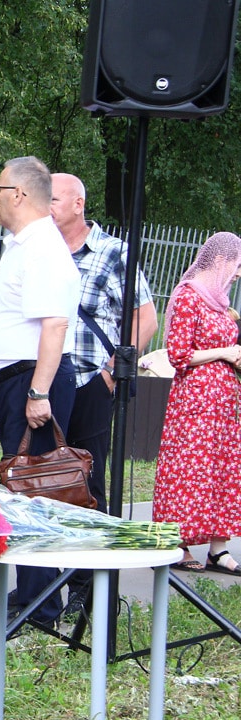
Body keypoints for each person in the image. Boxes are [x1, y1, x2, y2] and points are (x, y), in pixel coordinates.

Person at [0, 156, 81, 629]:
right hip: (18, 381)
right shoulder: (25, 244)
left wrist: (38, 391)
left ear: (18, 193)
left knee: (30, 492)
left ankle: (41, 608)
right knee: (23, 490)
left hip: (29, 382)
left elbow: (54, 324)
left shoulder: (41, 247)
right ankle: (33, 594)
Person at [49, 172, 159, 618]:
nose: (45, 205)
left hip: (91, 382)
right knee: (43, 481)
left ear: (78, 204)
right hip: (45, 382)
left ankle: (87, 587)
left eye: (52, 198)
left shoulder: (116, 252)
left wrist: (111, 374)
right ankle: (41, 586)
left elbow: (146, 318)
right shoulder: (40, 251)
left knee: (87, 485)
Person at [153, 232, 241, 575]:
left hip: (223, 406)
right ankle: (178, 541)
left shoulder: (221, 302)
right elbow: (178, 354)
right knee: (189, 470)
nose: (237, 273)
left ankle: (218, 548)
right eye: (236, 265)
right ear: (220, 261)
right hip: (196, 403)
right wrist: (224, 352)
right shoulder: (190, 296)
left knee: (221, 471)